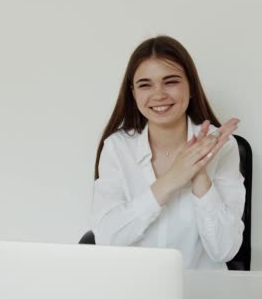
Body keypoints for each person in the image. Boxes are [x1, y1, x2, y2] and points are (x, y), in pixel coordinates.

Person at [91, 35, 244, 269]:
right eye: (145, 84)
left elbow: (224, 250)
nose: (159, 94)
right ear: (133, 93)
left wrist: (199, 175)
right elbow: (106, 239)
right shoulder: (117, 148)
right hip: (135, 287)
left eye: (170, 81)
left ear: (191, 87)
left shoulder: (222, 146)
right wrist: (173, 178)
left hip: (201, 289)